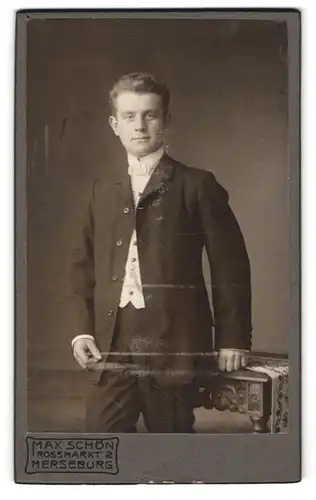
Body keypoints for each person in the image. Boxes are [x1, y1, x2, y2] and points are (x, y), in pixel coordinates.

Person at [69, 72, 252, 433]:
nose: (140, 126)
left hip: (175, 345)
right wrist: (81, 331)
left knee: (170, 446)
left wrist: (233, 338)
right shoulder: (101, 190)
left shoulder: (197, 185)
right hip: (112, 344)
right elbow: (82, 266)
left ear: (165, 121)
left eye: (150, 115)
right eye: (129, 116)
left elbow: (229, 266)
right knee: (102, 448)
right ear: (114, 125)